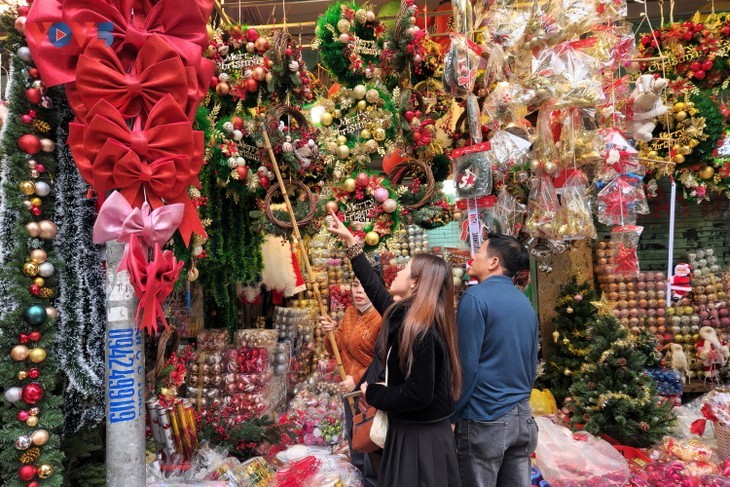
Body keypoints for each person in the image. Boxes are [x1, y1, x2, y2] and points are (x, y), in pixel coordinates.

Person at [326, 210, 462, 487]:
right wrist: (352, 243)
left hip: (419, 440)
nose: (397, 270)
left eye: (404, 268)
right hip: (412, 434)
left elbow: (418, 394)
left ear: (414, 282)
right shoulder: (409, 319)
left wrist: (373, 392)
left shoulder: (420, 331)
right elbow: (376, 290)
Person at [451, 233, 539, 487]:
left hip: (485, 418)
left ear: (493, 262)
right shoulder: (524, 303)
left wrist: (452, 414)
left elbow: (465, 367)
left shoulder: (475, 298)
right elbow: (531, 363)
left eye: (479, 253)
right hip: (522, 417)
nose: (473, 257)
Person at [320, 278, 382, 487]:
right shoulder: (350, 313)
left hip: (369, 389)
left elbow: (381, 361)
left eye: (365, 286)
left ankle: (372, 481)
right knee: (354, 437)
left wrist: (355, 379)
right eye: (356, 285)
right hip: (349, 390)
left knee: (369, 440)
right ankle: (358, 479)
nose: (359, 291)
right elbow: (335, 349)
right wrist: (330, 331)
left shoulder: (382, 317)